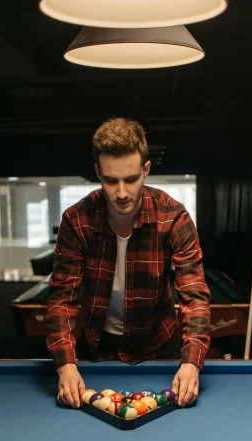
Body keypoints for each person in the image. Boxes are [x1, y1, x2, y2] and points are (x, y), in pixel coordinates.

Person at [46, 117, 211, 408]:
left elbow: (195, 296)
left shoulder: (174, 217)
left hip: (160, 344)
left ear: (146, 169)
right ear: (97, 172)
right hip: (97, 344)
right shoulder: (76, 221)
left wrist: (192, 362)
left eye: (131, 179)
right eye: (111, 180)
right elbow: (62, 298)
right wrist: (66, 365)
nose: (121, 193)